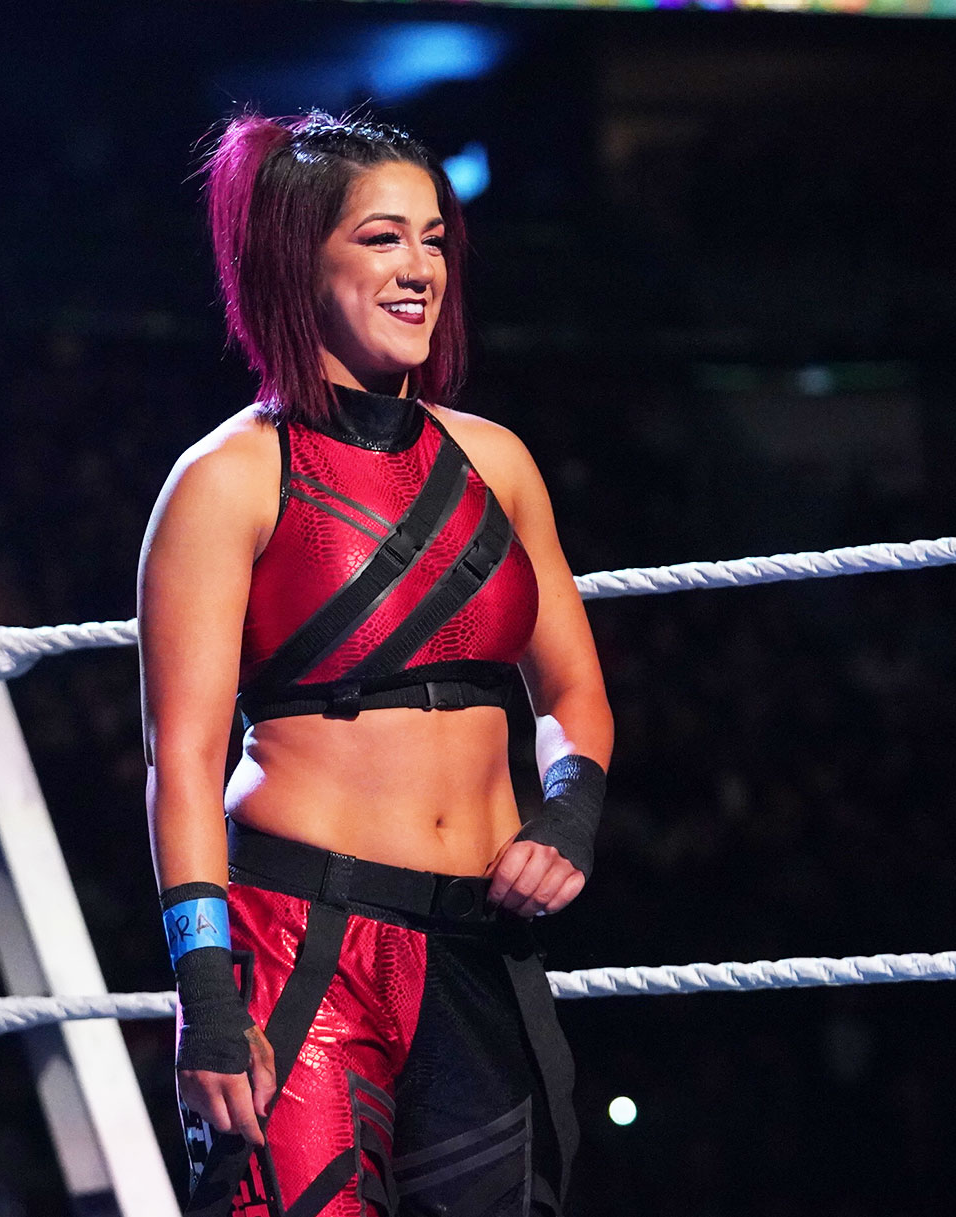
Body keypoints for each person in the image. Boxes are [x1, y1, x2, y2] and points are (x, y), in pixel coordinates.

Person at [139, 111, 613, 1217]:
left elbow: (574, 693)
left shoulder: (496, 460)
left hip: (480, 947)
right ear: (296, 261)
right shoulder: (228, 479)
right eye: (383, 238)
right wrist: (208, 992)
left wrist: (569, 812)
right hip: (304, 938)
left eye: (436, 239)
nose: (419, 269)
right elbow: (184, 758)